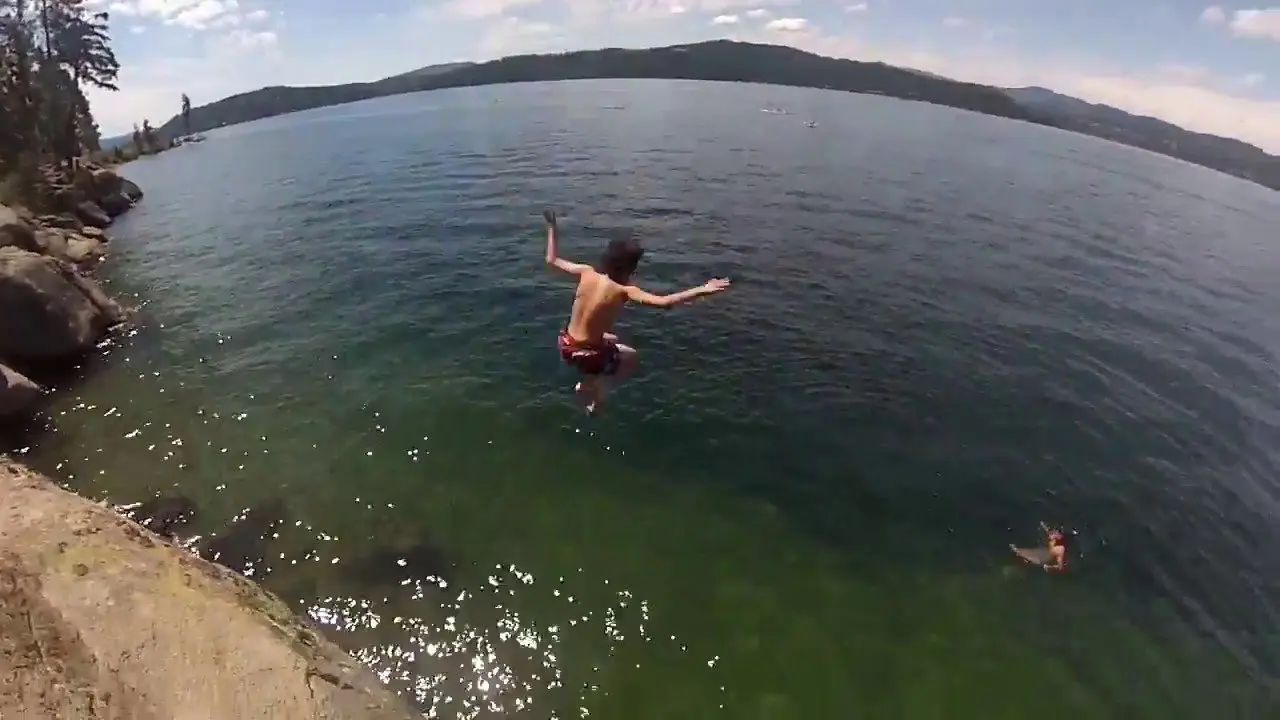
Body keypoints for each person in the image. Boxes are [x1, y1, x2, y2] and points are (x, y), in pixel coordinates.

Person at [542, 208, 731, 414]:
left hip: (565, 343)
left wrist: (552, 228)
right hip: (586, 354)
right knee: (630, 357)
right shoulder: (624, 290)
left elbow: (551, 260)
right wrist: (703, 289)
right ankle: (591, 388)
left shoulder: (586, 272)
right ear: (628, 269)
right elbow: (664, 302)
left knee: (610, 338)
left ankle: (592, 375)